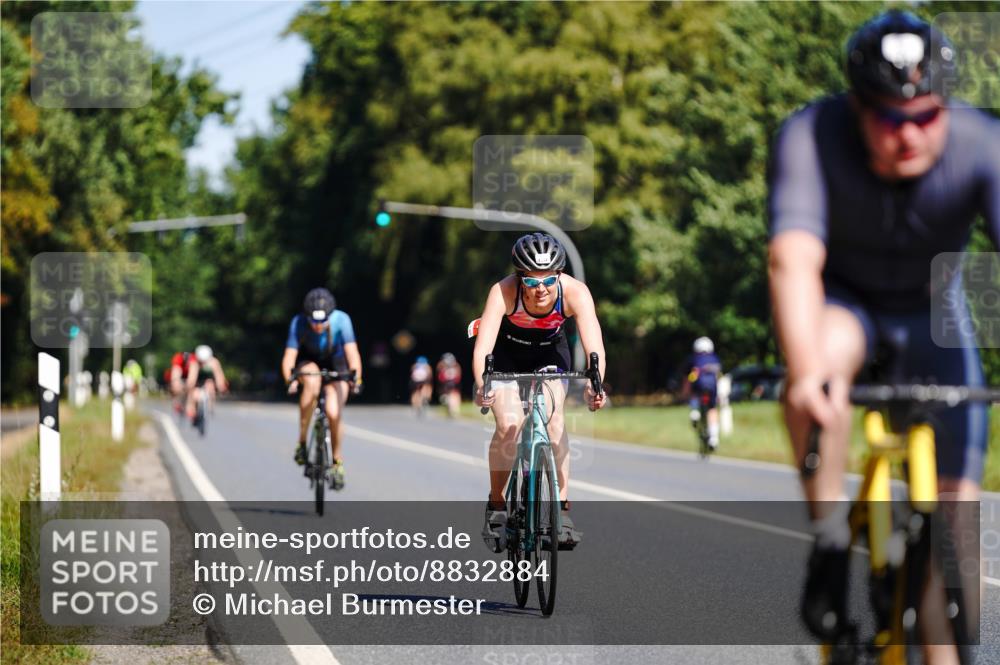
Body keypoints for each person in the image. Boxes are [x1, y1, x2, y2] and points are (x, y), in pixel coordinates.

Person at [767, 10, 998, 653]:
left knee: (959, 529)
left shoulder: (983, 144)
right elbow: (793, 259)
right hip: (847, 307)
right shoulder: (811, 135)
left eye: (926, 117)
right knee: (815, 374)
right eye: (889, 120)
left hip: (934, 314)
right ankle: (831, 543)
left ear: (948, 106)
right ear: (857, 105)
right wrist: (808, 370)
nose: (909, 136)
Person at [473, 232, 608, 551]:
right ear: (520, 279)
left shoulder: (575, 292)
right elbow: (483, 348)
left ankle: (561, 509)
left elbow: (595, 347)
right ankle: (496, 504)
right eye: (532, 283)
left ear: (559, 275)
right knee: (509, 425)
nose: (541, 289)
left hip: (550, 353)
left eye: (548, 280)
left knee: (554, 421)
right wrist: (483, 384)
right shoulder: (503, 292)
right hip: (507, 354)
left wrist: (595, 383)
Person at [282, 288, 363, 490]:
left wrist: (356, 378)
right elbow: (289, 357)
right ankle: (302, 442)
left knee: (334, 413)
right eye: (314, 322)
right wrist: (289, 380)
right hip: (310, 362)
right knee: (311, 382)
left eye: (322, 322)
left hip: (337, 365)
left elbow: (352, 354)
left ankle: (337, 461)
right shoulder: (298, 322)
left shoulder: (342, 321)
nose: (318, 327)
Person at [685, 337, 722, 450]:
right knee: (712, 409)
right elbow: (719, 376)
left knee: (694, 394)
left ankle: (695, 412)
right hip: (712, 388)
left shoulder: (694, 358)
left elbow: (688, 377)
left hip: (699, 386)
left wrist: (685, 392)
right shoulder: (715, 358)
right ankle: (714, 438)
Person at [185, 345, 228, 425]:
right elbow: (192, 377)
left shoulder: (214, 362)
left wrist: (221, 386)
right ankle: (192, 408)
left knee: (210, 386)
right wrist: (190, 386)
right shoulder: (194, 363)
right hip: (198, 381)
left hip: (208, 381)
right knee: (194, 393)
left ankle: (210, 406)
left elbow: (219, 376)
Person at [436, 352, 462, 417]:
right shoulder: (456, 364)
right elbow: (459, 373)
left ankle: (451, 407)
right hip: (453, 381)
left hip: (446, 382)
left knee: (450, 394)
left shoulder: (441, 364)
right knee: (455, 394)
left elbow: (439, 374)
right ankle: (454, 409)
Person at [168, 350, 191, 415]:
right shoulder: (178, 358)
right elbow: (176, 371)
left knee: (190, 387)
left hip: (189, 374)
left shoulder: (193, 360)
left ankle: (189, 404)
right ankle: (176, 401)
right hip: (180, 374)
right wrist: (176, 382)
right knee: (176, 386)